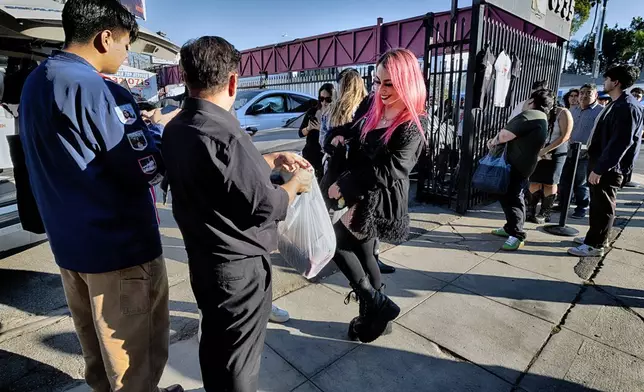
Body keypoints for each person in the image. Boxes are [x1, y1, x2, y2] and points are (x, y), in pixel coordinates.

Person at [18, 1, 182, 391]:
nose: (126, 56)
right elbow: (148, 168)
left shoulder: (36, 81)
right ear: (105, 37)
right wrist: (159, 128)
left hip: (71, 250)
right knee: (134, 363)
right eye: (127, 45)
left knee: (98, 359)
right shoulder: (99, 89)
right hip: (120, 254)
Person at [162, 36, 313, 392]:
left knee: (215, 347)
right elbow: (268, 206)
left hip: (204, 260)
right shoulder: (227, 134)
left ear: (185, 76)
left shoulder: (177, 128)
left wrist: (272, 159)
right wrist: (297, 184)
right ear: (232, 81)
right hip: (238, 269)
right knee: (239, 361)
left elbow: (224, 179)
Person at [326, 48, 427, 343]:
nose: (380, 90)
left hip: (379, 198)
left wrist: (346, 186)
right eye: (377, 81)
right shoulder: (372, 103)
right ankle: (376, 314)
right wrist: (338, 135)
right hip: (358, 192)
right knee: (364, 253)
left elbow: (392, 169)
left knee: (339, 244)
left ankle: (374, 305)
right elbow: (352, 129)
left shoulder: (412, 123)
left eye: (389, 84)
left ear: (406, 82)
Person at [569, 65, 644, 257]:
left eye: (607, 79)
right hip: (600, 162)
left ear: (616, 82)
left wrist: (601, 168)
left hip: (609, 167)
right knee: (597, 204)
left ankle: (595, 244)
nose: (605, 82)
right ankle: (595, 236)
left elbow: (621, 142)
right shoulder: (616, 103)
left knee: (603, 206)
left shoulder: (626, 106)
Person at [489, 89, 554, 251]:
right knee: (508, 196)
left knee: (513, 199)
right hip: (523, 164)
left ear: (532, 102)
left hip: (515, 166)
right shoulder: (542, 118)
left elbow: (504, 136)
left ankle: (517, 235)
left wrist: (492, 142)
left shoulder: (529, 116)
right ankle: (510, 227)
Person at [556, 84, 603, 219]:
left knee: (581, 183)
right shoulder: (573, 110)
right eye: (582, 93)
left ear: (595, 96)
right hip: (568, 152)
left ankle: (581, 207)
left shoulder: (600, 111)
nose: (584, 96)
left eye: (588, 93)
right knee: (564, 180)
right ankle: (563, 204)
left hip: (585, 154)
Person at [525, 103, 573, 223]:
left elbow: (565, 136)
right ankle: (530, 210)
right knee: (534, 180)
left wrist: (545, 150)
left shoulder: (563, 112)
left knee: (550, 182)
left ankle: (545, 212)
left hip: (556, 149)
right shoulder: (536, 110)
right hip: (537, 149)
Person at [299, 83, 335, 179]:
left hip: (324, 156)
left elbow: (335, 136)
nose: (324, 102)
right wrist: (309, 128)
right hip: (310, 154)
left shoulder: (335, 114)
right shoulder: (312, 111)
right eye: (321, 99)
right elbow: (300, 133)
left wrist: (321, 129)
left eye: (328, 99)